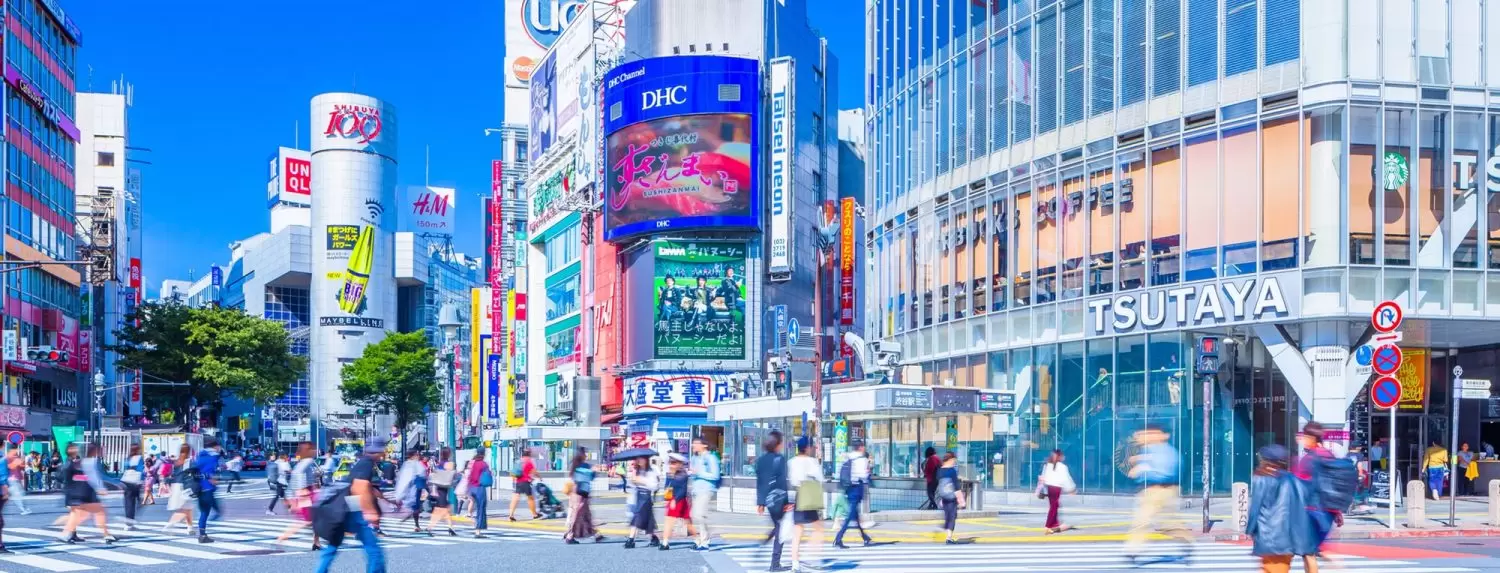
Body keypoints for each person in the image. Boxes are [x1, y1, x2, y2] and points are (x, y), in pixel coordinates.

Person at [316, 438, 387, 573]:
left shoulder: (362, 462)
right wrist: (369, 511)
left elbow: (363, 487)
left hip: (345, 507)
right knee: (372, 548)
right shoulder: (367, 463)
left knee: (334, 544)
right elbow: (360, 486)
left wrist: (385, 500)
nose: (383, 453)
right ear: (377, 451)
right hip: (352, 507)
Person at [1124, 425, 1192, 565]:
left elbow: (1165, 470)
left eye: (1146, 434)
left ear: (1161, 435)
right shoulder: (1148, 450)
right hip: (1150, 491)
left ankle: (1186, 541)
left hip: (1166, 490)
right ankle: (1132, 551)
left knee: (1167, 524)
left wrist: (1142, 465)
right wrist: (1139, 467)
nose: (1141, 437)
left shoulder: (1167, 451)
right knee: (1140, 521)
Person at [1248, 444, 1320, 573]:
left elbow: (1255, 508)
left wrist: (1250, 529)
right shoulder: (1293, 479)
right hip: (1288, 538)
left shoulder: (1261, 478)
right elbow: (1310, 495)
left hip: (1269, 536)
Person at [59, 444, 117, 544]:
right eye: (73, 449)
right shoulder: (70, 464)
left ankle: (69, 534)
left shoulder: (74, 462)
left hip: (77, 493)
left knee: (78, 515)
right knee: (89, 513)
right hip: (78, 493)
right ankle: (106, 535)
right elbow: (70, 478)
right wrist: (99, 487)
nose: (76, 450)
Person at [787, 436, 826, 570]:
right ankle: (814, 558)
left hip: (798, 496)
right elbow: (820, 479)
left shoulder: (792, 461)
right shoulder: (812, 462)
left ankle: (795, 563)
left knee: (797, 530)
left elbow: (792, 480)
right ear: (808, 448)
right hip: (809, 496)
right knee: (819, 528)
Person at [755, 431, 791, 573]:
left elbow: (760, 482)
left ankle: (765, 545)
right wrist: (787, 501)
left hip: (768, 500)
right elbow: (782, 482)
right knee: (780, 529)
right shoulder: (779, 459)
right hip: (779, 498)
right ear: (777, 444)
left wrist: (761, 502)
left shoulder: (761, 460)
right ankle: (774, 563)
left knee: (777, 526)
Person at [277, 442, 322, 551]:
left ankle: (316, 542)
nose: (316, 451)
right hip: (305, 492)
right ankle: (283, 537)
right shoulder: (308, 461)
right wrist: (301, 492)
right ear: (309, 451)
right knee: (308, 520)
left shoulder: (305, 461)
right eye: (313, 449)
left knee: (316, 519)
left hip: (307, 491)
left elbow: (299, 474)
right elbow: (298, 474)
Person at [834, 441, 872, 549]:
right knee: (851, 515)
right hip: (857, 487)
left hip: (848, 488)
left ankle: (865, 537)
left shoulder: (848, 457)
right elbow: (864, 476)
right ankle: (838, 537)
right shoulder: (862, 459)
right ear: (860, 447)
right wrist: (868, 473)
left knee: (855, 514)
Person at [564, 448, 603, 544]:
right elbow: (589, 477)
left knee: (586, 515)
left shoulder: (575, 466)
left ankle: (596, 534)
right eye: (585, 454)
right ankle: (570, 535)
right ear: (582, 455)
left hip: (578, 492)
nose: (586, 455)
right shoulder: (584, 465)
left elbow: (576, 479)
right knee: (578, 515)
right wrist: (594, 471)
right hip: (582, 493)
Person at [659, 453, 696, 551]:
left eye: (674, 463)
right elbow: (667, 487)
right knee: (684, 522)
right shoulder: (670, 474)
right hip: (672, 500)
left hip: (679, 500)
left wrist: (674, 500)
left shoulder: (683, 475)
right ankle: (698, 540)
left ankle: (665, 543)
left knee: (675, 521)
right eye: (670, 462)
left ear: (680, 464)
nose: (671, 465)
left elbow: (682, 490)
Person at [623, 456, 661, 549]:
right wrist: (633, 476)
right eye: (637, 459)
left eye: (641, 459)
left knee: (637, 516)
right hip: (638, 496)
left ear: (646, 460)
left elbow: (655, 486)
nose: (638, 461)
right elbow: (631, 484)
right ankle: (654, 538)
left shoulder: (651, 471)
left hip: (646, 497)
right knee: (647, 520)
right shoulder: (637, 470)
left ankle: (631, 540)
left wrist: (643, 481)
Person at [689, 437, 720, 549]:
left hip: (707, 489)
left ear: (704, 445)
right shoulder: (695, 458)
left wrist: (699, 472)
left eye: (696, 443)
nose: (693, 446)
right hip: (697, 490)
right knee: (694, 514)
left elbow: (715, 475)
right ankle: (702, 540)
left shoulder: (710, 458)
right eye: (693, 444)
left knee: (699, 514)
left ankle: (705, 540)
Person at [193, 437, 224, 543]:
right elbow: (211, 471)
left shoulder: (200, 455)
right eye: (219, 446)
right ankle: (202, 534)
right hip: (207, 488)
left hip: (198, 487)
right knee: (207, 512)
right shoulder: (213, 457)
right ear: (215, 446)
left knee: (206, 511)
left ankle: (203, 532)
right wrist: (213, 478)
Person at [1040, 449, 1076, 535]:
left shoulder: (1047, 465)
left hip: (1049, 488)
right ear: (1059, 457)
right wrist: (1071, 489)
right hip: (1056, 488)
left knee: (1054, 505)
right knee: (1054, 506)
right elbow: (1066, 479)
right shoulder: (1062, 467)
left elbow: (1043, 478)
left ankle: (1054, 523)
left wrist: (1044, 490)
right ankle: (1048, 525)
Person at [163, 445, 197, 534]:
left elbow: (172, 475)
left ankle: (190, 528)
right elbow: (190, 473)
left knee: (188, 508)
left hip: (176, 485)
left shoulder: (177, 462)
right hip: (184, 486)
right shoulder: (188, 462)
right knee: (185, 509)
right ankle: (170, 524)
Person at [394, 449, 429, 535]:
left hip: (413, 488)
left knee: (416, 507)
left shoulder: (408, 464)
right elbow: (421, 474)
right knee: (416, 508)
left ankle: (416, 524)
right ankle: (415, 524)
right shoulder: (413, 464)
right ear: (413, 455)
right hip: (414, 488)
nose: (418, 456)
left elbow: (402, 479)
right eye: (417, 454)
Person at [426, 447, 458, 536]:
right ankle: (430, 528)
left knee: (445, 510)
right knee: (440, 510)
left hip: (439, 488)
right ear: (448, 454)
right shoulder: (449, 464)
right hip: (443, 490)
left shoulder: (439, 464)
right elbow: (453, 475)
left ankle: (451, 528)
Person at [937, 452, 967, 544]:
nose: (954, 462)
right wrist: (961, 501)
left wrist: (940, 498)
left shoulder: (939, 471)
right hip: (951, 498)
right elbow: (956, 486)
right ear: (950, 460)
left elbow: (939, 485)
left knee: (948, 515)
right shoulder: (952, 471)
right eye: (954, 460)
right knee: (952, 517)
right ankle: (948, 537)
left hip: (944, 497)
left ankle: (946, 527)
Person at [507, 447, 540, 521]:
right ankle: (535, 514)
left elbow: (514, 472)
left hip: (518, 482)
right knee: (530, 498)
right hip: (526, 482)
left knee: (515, 498)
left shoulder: (519, 461)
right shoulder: (529, 461)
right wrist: (539, 477)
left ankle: (511, 515)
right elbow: (534, 472)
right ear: (529, 454)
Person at [466, 449, 492, 538]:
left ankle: (475, 523)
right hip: (479, 488)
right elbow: (488, 475)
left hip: (471, 487)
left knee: (473, 506)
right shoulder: (484, 464)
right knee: (481, 509)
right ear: (484, 454)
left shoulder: (472, 463)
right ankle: (478, 531)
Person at [121, 444, 146, 529]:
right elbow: (141, 470)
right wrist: (141, 481)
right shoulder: (139, 458)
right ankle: (130, 522)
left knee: (128, 503)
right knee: (138, 502)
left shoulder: (128, 458)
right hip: (135, 482)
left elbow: (124, 469)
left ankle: (128, 524)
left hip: (125, 481)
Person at [5, 450, 27, 516]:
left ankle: (24, 509)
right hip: (12, 479)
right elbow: (10, 467)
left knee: (19, 494)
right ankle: (24, 509)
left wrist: (22, 462)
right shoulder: (8, 459)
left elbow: (22, 467)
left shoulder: (14, 459)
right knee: (17, 495)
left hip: (15, 479)